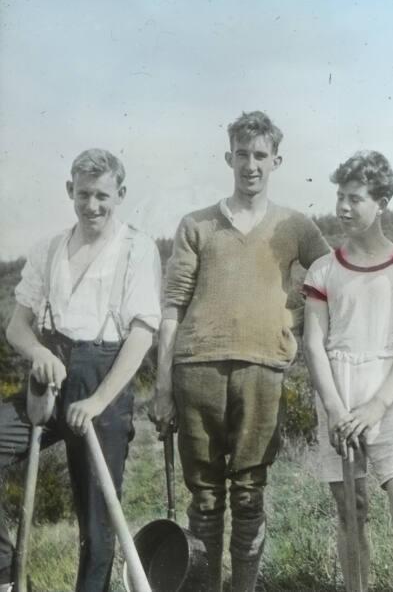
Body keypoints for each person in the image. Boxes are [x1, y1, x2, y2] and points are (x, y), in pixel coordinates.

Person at [150, 110, 329, 592]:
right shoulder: (196, 225)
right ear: (229, 157)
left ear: (277, 161)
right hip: (196, 370)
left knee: (250, 493)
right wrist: (163, 386)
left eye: (261, 156)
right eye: (243, 155)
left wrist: (292, 320)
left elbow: (334, 280)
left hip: (262, 370)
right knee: (205, 499)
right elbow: (171, 309)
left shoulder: (296, 226)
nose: (251, 165)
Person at [0, 148, 162, 592]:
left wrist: (96, 401)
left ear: (121, 194)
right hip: (49, 375)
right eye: (84, 194)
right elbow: (17, 326)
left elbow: (142, 335)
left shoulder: (136, 249)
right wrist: (38, 352)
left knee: (97, 520)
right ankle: (6, 575)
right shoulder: (49, 248)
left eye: (103, 196)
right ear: (70, 191)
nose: (92, 205)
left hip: (102, 377)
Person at [303, 150, 393, 592]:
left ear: (382, 202)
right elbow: (313, 343)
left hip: (390, 395)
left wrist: (377, 405)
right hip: (338, 392)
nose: (342, 207)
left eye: (355, 198)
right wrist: (336, 409)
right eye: (340, 196)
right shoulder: (324, 269)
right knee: (350, 510)